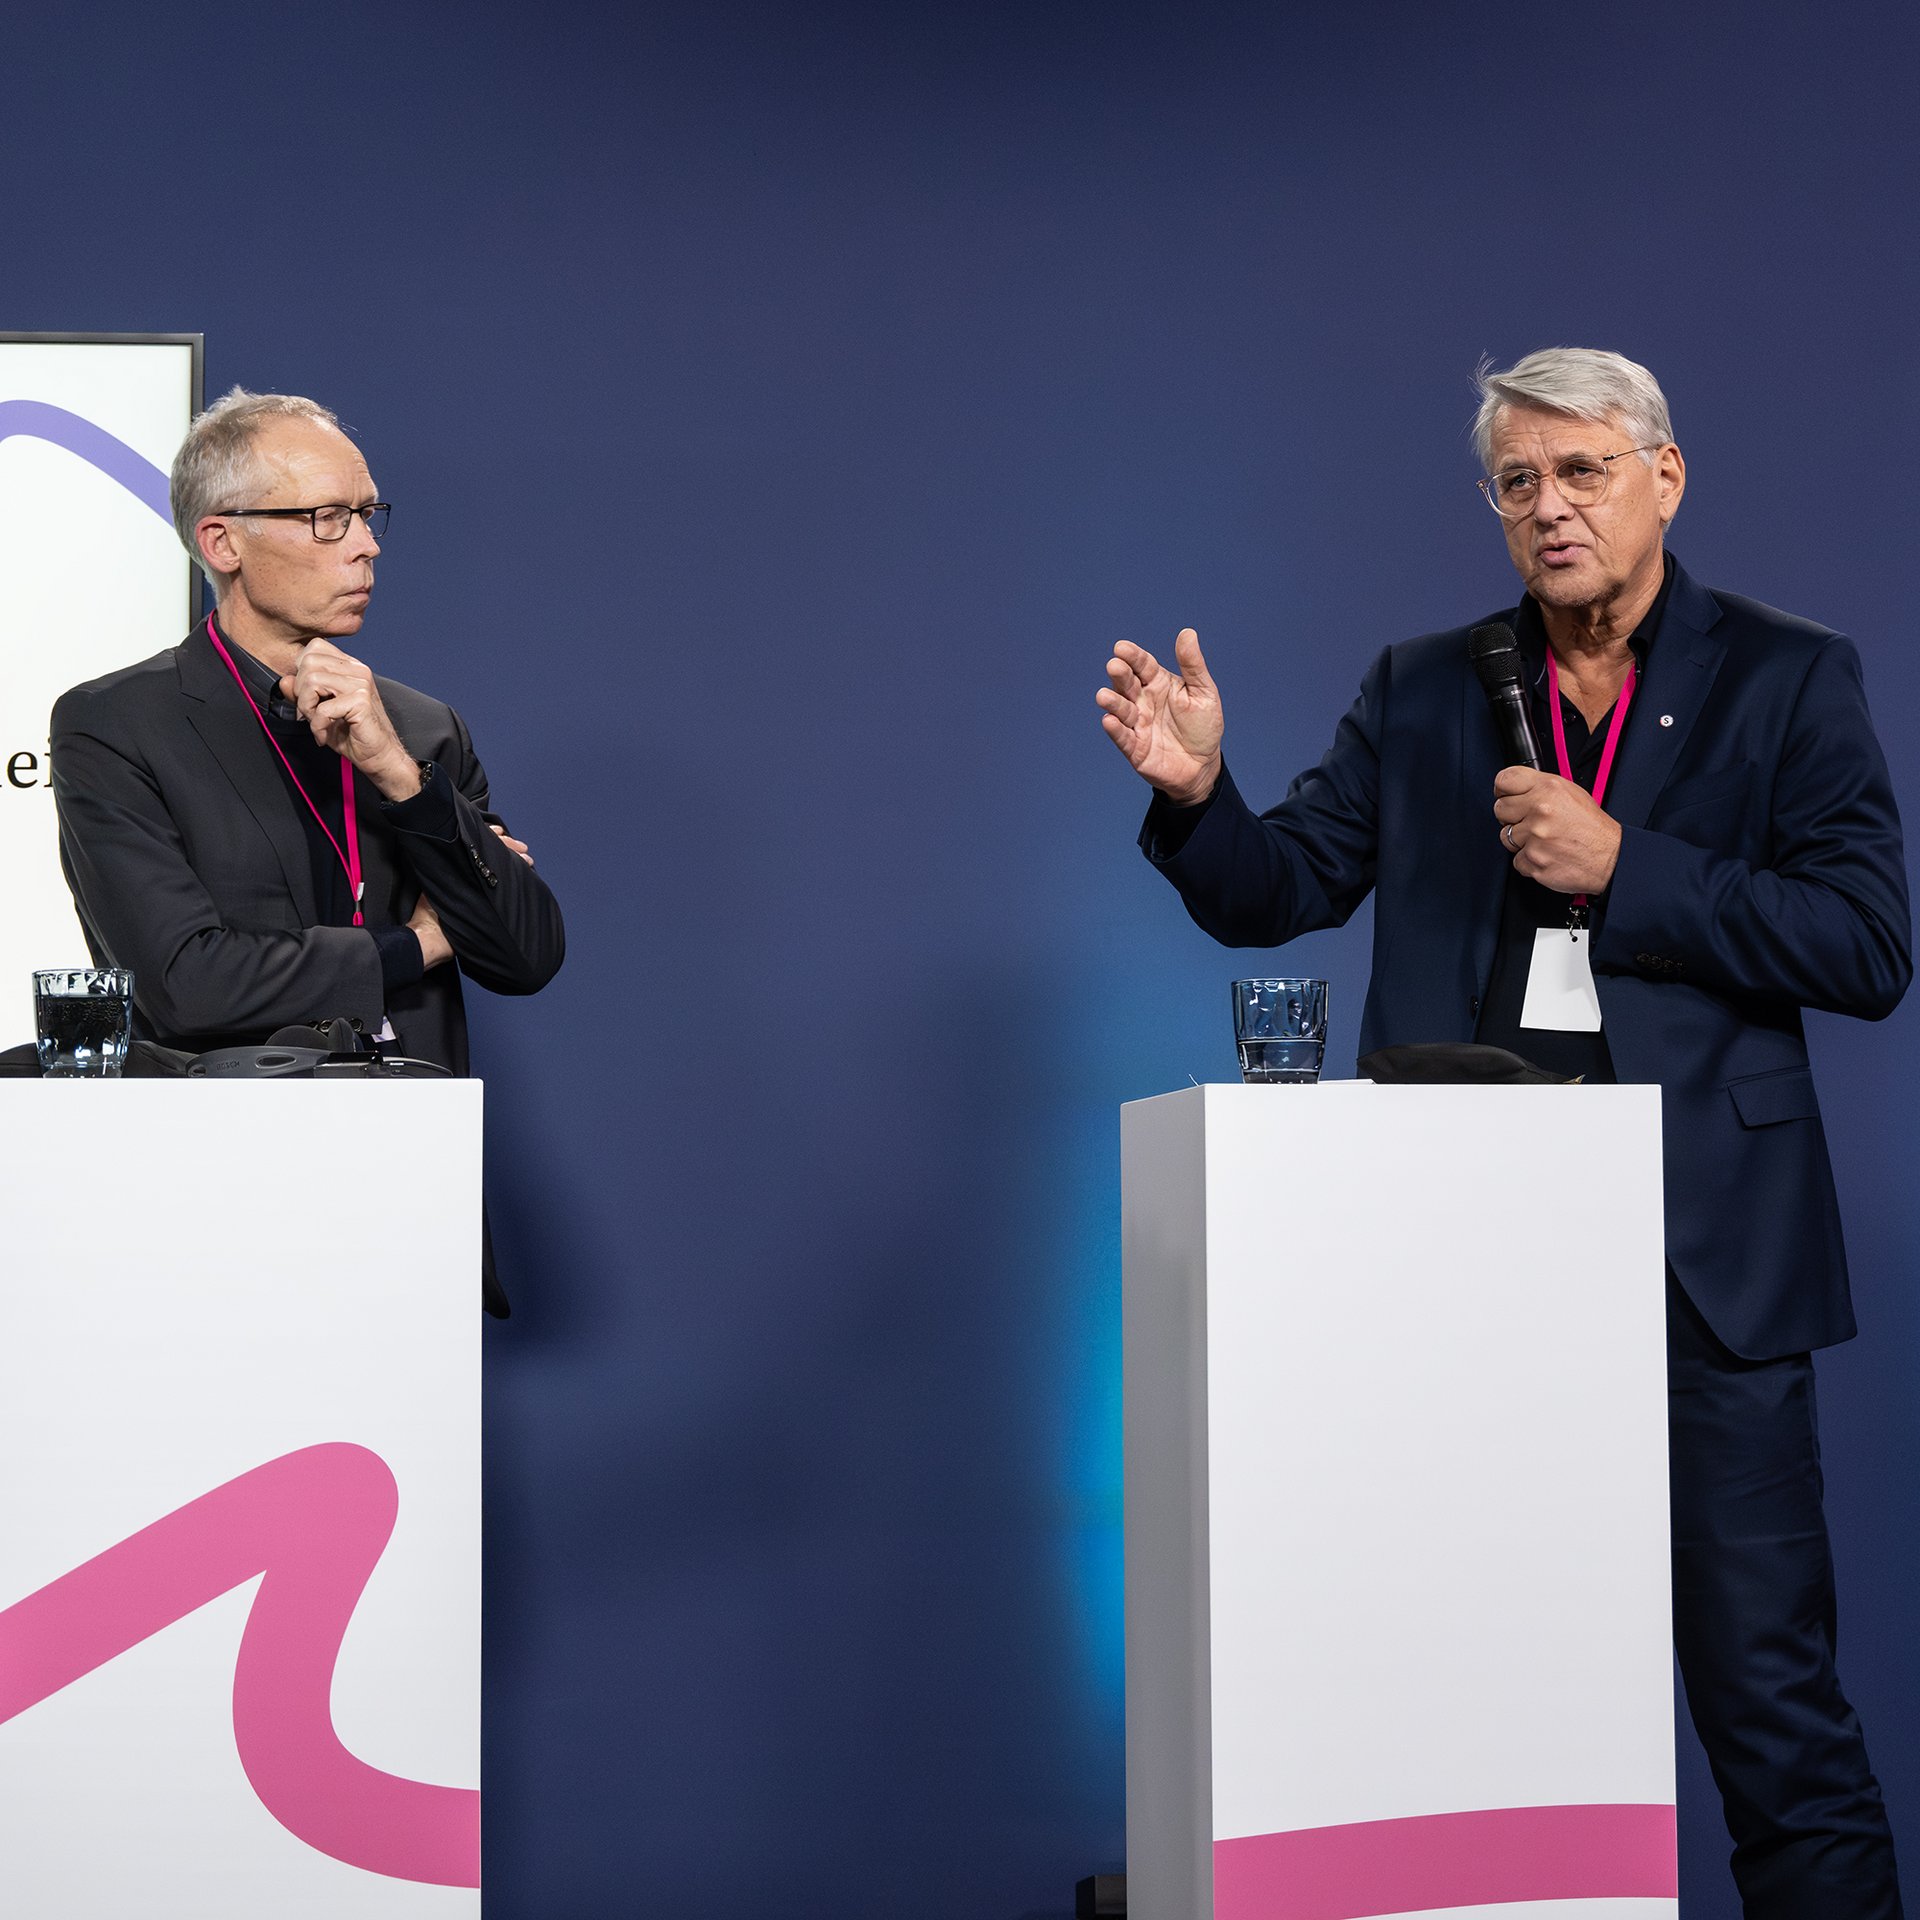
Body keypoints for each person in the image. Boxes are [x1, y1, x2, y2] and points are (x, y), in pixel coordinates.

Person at [1097, 348, 1908, 1918]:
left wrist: (1630, 866)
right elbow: (1283, 892)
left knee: (1773, 1720)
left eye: (1585, 472)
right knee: (1462, 1702)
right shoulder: (1425, 685)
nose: (1552, 508)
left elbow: (1868, 945)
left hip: (1704, 1273)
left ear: (1664, 478)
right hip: (1464, 1269)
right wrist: (1200, 797)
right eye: (1519, 482)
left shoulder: (1790, 674)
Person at [51, 387, 565, 1313]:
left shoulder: (418, 728)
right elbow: (187, 983)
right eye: (328, 518)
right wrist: (416, 947)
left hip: (407, 1211)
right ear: (223, 544)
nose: (367, 544)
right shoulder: (115, 725)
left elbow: (525, 953)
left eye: (369, 515)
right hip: (210, 1208)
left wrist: (397, 775)